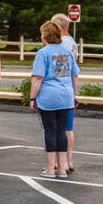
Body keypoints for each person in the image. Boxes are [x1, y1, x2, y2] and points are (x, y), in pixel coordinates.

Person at [29, 21, 78, 179]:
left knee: (50, 131)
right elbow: (74, 76)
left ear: (45, 36)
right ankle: (62, 169)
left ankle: (50, 169)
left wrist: (32, 97)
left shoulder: (43, 53)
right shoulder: (67, 53)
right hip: (66, 96)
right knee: (61, 132)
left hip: (48, 97)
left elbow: (37, 78)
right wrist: (73, 94)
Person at [51, 12, 79, 175]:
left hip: (59, 90)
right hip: (68, 89)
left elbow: (59, 70)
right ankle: (68, 160)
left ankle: (58, 162)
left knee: (58, 128)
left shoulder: (62, 44)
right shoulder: (72, 43)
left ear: (59, 26)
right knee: (68, 128)